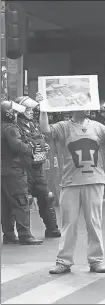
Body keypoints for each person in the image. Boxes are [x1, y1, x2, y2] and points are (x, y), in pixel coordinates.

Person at [37, 93, 105, 275]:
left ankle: (96, 260)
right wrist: (43, 107)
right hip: (70, 181)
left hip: (94, 180)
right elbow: (45, 129)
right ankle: (64, 261)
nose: (86, 107)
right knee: (69, 223)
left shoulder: (99, 128)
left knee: (94, 222)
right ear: (72, 107)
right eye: (81, 104)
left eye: (87, 104)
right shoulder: (64, 127)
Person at [15, 96, 61, 238]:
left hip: (37, 168)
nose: (31, 112)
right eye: (27, 109)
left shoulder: (33, 125)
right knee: (24, 200)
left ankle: (52, 228)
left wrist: (43, 145)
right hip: (23, 169)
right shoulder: (15, 126)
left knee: (47, 197)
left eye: (31, 109)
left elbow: (41, 137)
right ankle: (24, 233)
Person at [1, 100, 43, 245]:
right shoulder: (10, 129)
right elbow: (17, 146)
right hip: (14, 170)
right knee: (21, 202)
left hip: (3, 171)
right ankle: (25, 235)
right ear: (9, 113)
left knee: (6, 205)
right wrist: (29, 148)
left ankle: (8, 234)